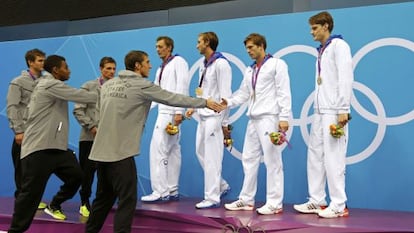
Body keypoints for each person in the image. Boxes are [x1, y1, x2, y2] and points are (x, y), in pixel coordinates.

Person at [85, 50, 224, 233]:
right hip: (120, 154)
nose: (150, 65)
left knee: (103, 199)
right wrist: (204, 102)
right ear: (137, 66)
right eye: (147, 62)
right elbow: (172, 98)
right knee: (127, 200)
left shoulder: (108, 85)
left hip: (100, 153)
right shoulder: (141, 85)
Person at [7, 55, 97, 233]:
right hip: (38, 150)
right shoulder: (50, 84)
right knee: (30, 196)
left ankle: (55, 204)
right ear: (56, 70)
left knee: (77, 176)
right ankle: (15, 231)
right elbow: (81, 96)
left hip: (56, 149)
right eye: (66, 67)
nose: (69, 70)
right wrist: (106, 91)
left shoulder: (51, 84)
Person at [293, 11, 353, 218]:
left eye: (314, 28)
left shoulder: (340, 46)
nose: (311, 32)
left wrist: (343, 109)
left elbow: (345, 78)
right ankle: (317, 200)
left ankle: (338, 204)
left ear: (326, 26)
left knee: (334, 158)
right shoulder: (322, 50)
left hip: (334, 110)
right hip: (320, 111)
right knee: (315, 155)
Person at [223, 33, 292, 215]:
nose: (248, 51)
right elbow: (243, 94)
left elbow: (284, 92)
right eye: (247, 48)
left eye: (251, 47)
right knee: (249, 159)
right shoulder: (250, 70)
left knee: (272, 161)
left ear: (262, 46)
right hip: (253, 119)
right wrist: (226, 102)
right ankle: (246, 199)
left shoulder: (277, 65)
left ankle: (275, 202)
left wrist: (284, 117)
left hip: (270, 117)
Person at [185, 31, 232, 209]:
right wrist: (194, 107)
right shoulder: (203, 65)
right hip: (203, 115)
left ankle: (212, 197)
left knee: (212, 157)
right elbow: (202, 91)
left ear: (207, 43)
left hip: (215, 116)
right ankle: (220, 185)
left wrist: (225, 123)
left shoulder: (221, 64)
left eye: (199, 42)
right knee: (200, 152)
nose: (196, 45)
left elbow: (226, 94)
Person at [141, 36, 190, 202]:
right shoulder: (161, 67)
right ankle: (172, 188)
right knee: (172, 150)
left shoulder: (179, 62)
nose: (157, 49)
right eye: (156, 46)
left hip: (170, 112)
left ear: (169, 47)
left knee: (158, 151)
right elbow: (156, 92)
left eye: (161, 46)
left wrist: (178, 111)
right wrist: (144, 109)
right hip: (164, 110)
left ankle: (160, 191)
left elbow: (182, 86)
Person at [73, 57, 117, 217]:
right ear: (100, 69)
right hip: (89, 139)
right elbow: (78, 110)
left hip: (110, 140)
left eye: (113, 69)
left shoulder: (117, 88)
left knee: (106, 174)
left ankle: (100, 204)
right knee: (87, 173)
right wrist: (92, 127)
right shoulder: (89, 86)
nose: (111, 72)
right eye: (108, 68)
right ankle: (84, 203)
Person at [6, 48, 49, 210]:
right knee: (22, 168)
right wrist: (18, 130)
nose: (43, 63)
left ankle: (32, 199)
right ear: (30, 62)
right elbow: (12, 107)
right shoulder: (18, 82)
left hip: (40, 134)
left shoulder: (47, 82)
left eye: (44, 60)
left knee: (36, 169)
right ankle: (22, 201)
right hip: (24, 133)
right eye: (40, 60)